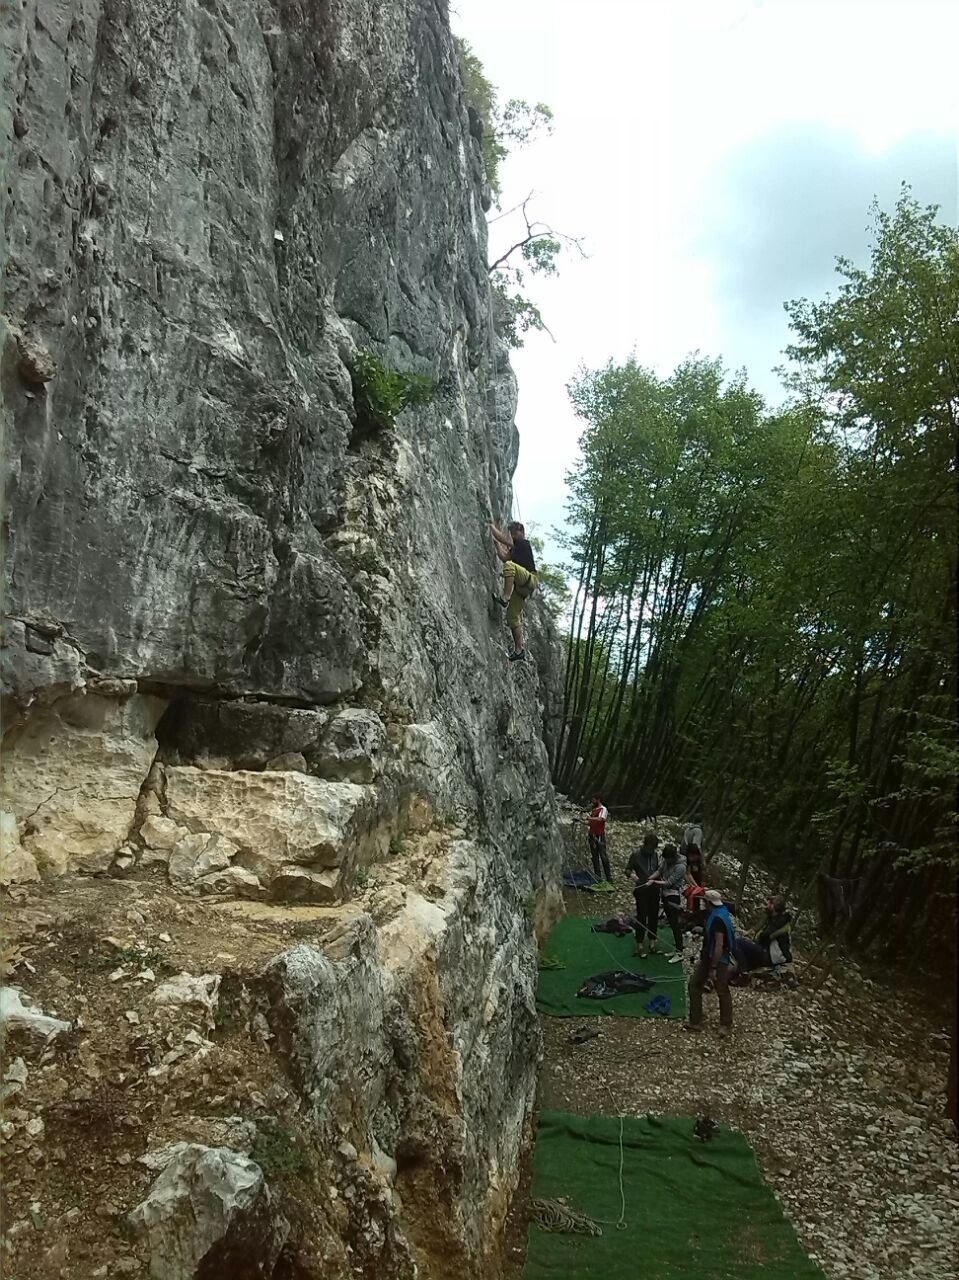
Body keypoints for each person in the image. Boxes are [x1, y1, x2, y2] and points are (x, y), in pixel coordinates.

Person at [686, 888, 736, 1035]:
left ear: (709, 902)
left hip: (718, 959)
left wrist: (713, 967)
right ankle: (695, 1021)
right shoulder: (720, 912)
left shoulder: (718, 919)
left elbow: (719, 944)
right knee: (694, 984)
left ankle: (726, 1024)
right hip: (709, 956)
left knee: (722, 990)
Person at [489, 520, 538, 662]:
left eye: (515, 533)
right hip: (522, 587)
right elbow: (504, 557)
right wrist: (497, 545)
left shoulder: (524, 544)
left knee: (510, 566)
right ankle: (519, 650)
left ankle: (505, 597)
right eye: (512, 533)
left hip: (529, 579)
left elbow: (504, 540)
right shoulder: (516, 549)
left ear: (522, 533)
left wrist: (492, 527)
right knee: (512, 617)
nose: (513, 536)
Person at [646, 843, 687, 962]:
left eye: (668, 858)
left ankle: (680, 952)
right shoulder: (666, 861)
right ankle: (676, 950)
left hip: (673, 896)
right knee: (671, 922)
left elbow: (669, 883)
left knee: (675, 925)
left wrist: (654, 882)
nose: (666, 861)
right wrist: (650, 878)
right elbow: (659, 871)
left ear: (673, 857)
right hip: (664, 894)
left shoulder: (681, 867)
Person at [625, 832, 660, 955]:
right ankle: (639, 942)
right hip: (641, 889)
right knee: (642, 916)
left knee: (654, 915)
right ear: (645, 845)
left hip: (654, 889)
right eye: (650, 847)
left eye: (654, 848)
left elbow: (659, 869)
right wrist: (633, 876)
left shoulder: (655, 855)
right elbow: (627, 869)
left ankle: (652, 940)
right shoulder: (635, 855)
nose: (652, 850)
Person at [756, 896, 793, 966]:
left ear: (773, 906)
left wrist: (765, 914)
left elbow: (763, 938)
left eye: (769, 904)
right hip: (772, 953)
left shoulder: (780, 922)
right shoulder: (775, 919)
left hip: (776, 957)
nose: (766, 906)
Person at [584, 795, 612, 884]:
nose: (592, 801)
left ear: (598, 800)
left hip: (599, 836)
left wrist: (590, 818)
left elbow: (601, 819)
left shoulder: (603, 809)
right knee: (595, 857)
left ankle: (609, 878)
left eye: (593, 799)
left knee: (603, 857)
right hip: (592, 835)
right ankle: (598, 878)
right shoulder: (594, 811)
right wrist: (581, 821)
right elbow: (590, 823)